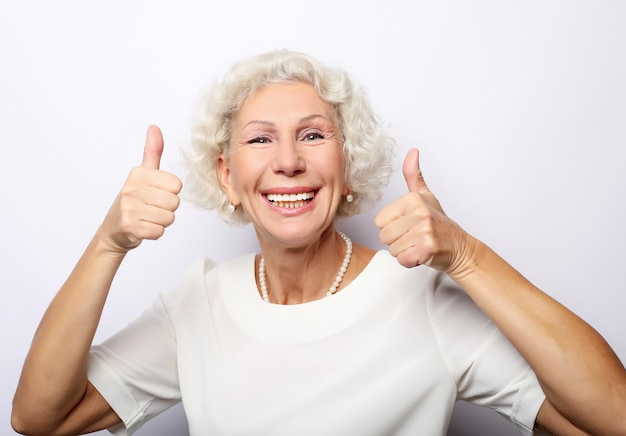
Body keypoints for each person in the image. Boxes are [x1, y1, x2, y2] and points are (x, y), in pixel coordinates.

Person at [11, 50, 626, 436]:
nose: (287, 162)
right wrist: (107, 244)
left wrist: (465, 257)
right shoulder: (198, 302)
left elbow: (613, 417)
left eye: (312, 135)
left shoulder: (420, 300)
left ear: (349, 165)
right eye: (259, 140)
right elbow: (38, 419)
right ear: (227, 177)